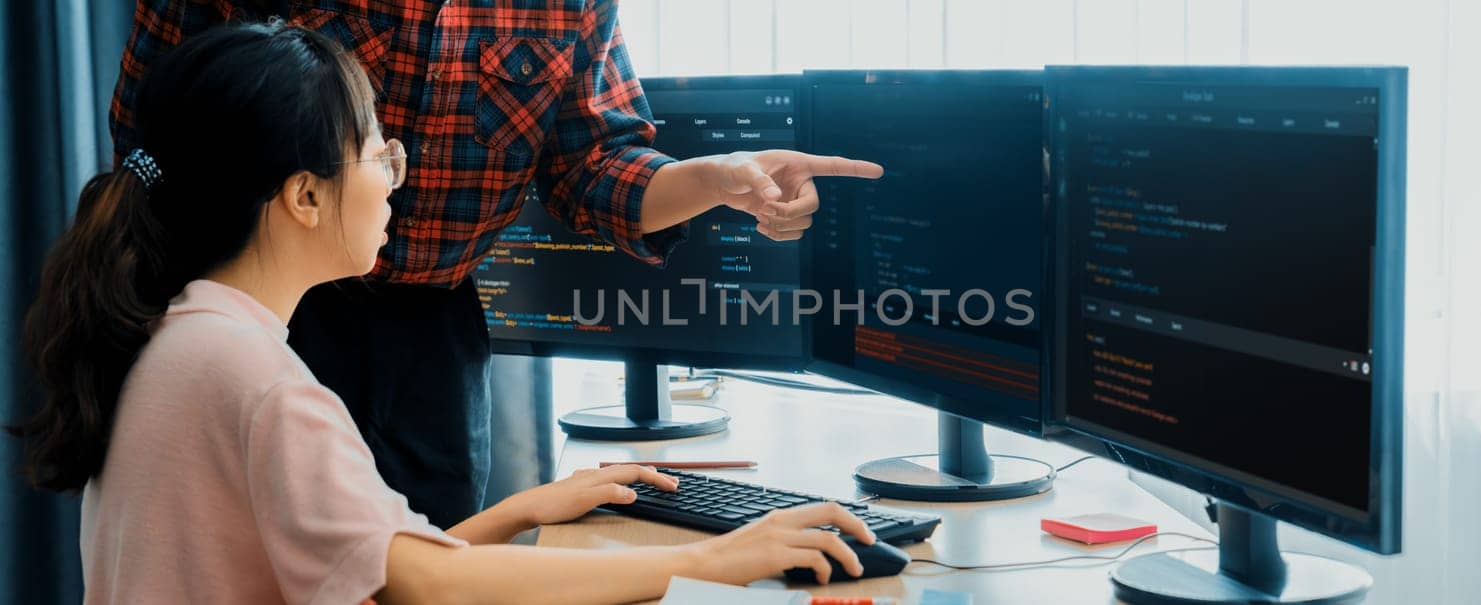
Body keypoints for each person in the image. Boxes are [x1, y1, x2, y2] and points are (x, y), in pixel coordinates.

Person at [9, 23, 877, 603]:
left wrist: (527, 507)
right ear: (305, 196)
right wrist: (706, 558)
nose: (399, 172)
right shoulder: (259, 383)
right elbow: (415, 586)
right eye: (379, 150)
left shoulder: (179, 339)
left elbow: (363, 559)